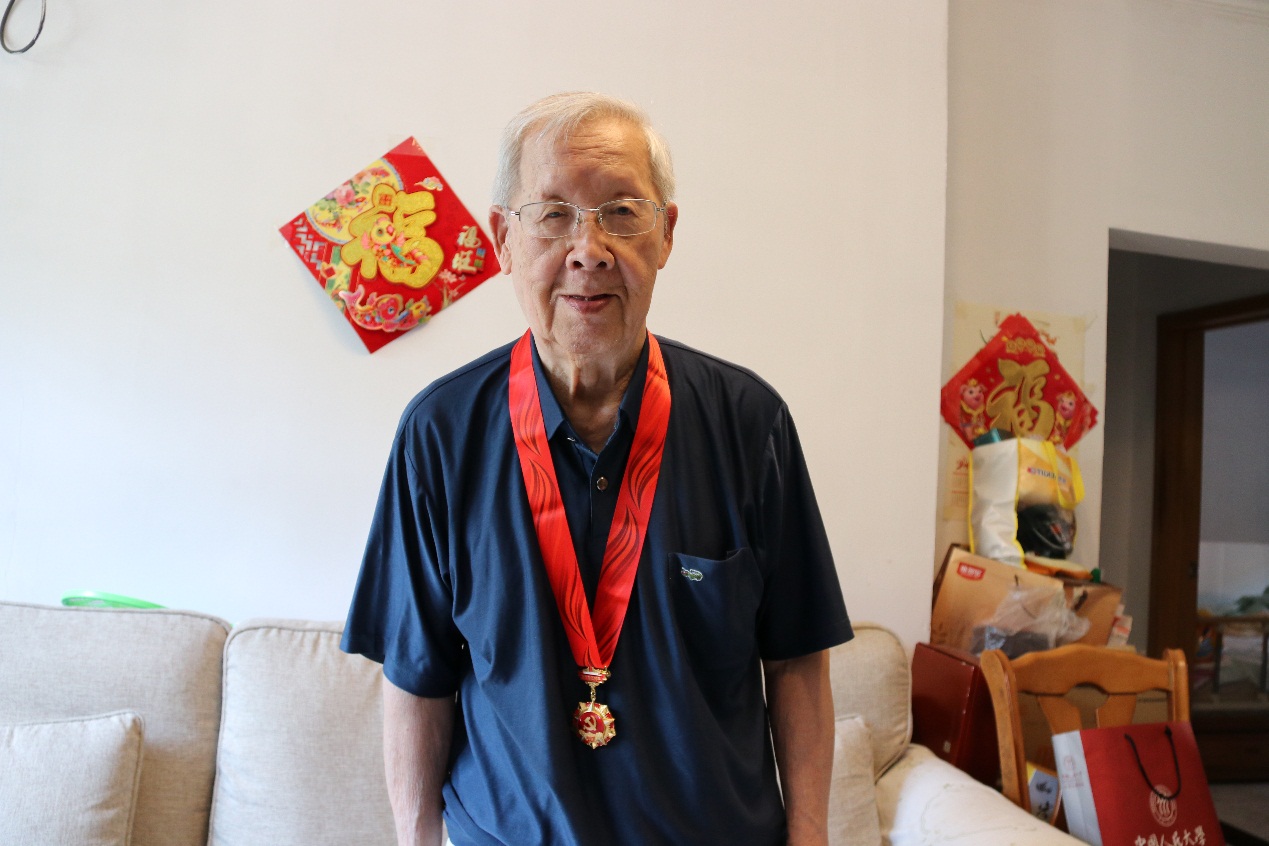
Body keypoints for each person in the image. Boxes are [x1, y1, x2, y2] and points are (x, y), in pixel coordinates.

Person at [341, 92, 852, 846]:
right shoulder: (439, 434)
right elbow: (418, 677)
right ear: (503, 239)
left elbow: (796, 661)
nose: (589, 249)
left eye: (621, 212)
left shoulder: (752, 422)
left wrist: (809, 837)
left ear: (666, 234)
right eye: (552, 214)